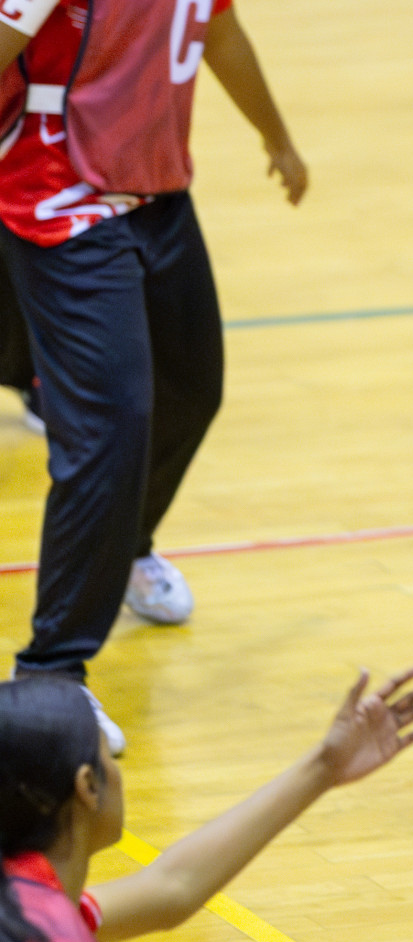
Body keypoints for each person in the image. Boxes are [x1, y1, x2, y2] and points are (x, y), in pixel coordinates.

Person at [0, 0, 309, 751]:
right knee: (109, 433)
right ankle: (51, 678)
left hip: (155, 191)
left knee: (191, 389)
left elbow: (217, 31)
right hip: (61, 198)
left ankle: (125, 542)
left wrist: (276, 136)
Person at [0, 665, 413, 942]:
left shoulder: (25, 901)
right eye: (106, 757)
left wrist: (325, 766)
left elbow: (172, 887)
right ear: (87, 787)